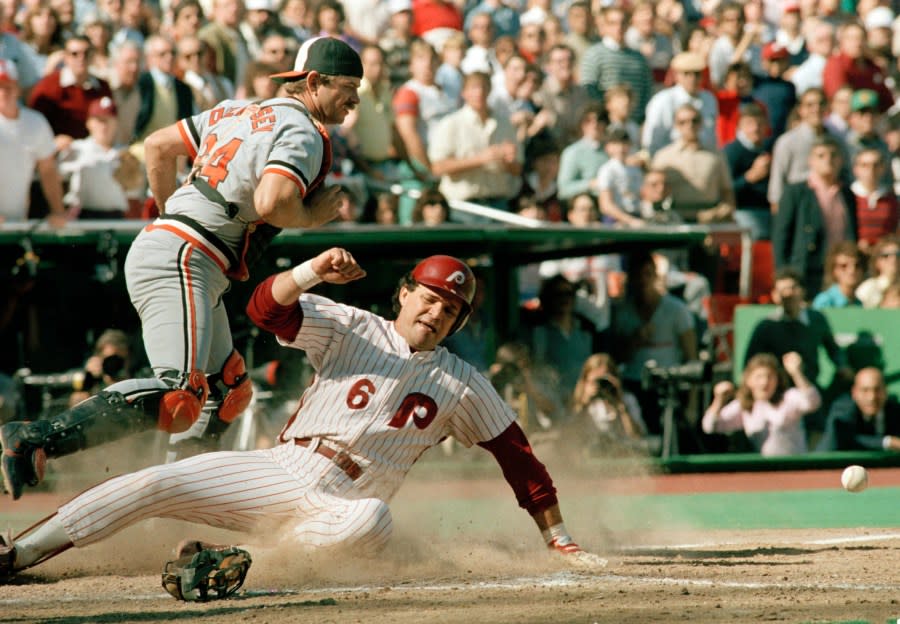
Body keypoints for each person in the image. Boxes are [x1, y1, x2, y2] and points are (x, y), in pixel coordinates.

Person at [0, 249, 608, 577]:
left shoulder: (462, 381)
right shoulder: (353, 326)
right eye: (428, 298)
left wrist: (558, 538)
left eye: (449, 310)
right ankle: (17, 556)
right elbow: (266, 310)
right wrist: (312, 270)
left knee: (373, 520)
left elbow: (516, 455)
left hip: (345, 501)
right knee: (156, 482)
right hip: (283, 467)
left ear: (457, 322)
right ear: (404, 293)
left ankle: (226, 563)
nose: (434, 312)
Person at [0, 36, 363, 501]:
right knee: (180, 394)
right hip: (187, 254)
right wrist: (314, 215)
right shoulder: (303, 131)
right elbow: (274, 202)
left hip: (182, 247)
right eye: (348, 86)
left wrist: (168, 211)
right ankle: (35, 438)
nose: (355, 98)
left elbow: (156, 147)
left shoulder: (234, 108)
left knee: (228, 392)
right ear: (313, 82)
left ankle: (184, 500)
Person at [772, 135, 856, 296]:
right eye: (821, 155)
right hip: (806, 270)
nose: (828, 160)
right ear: (811, 160)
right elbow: (781, 236)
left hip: (840, 273)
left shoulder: (847, 194)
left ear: (841, 160)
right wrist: (783, 276)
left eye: (833, 155)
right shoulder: (796, 192)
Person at [743, 267, 844, 392]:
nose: (788, 294)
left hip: (809, 387)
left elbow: (833, 350)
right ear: (775, 295)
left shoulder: (816, 320)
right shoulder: (766, 326)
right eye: (783, 290)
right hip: (777, 393)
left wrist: (843, 367)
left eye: (793, 288)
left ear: (803, 291)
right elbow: (750, 363)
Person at [702, 352, 820, 456]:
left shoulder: (788, 398)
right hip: (765, 473)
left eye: (770, 377)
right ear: (749, 380)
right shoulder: (744, 406)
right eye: (759, 377)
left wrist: (796, 373)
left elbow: (812, 402)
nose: (765, 382)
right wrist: (719, 399)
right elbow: (710, 426)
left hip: (794, 470)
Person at [0, 58, 67, 226]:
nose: (3, 92)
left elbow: (48, 170)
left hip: (16, 222)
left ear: (18, 89)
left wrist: (58, 211)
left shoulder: (35, 122)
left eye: (8, 86)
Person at [651, 104, 736, 225]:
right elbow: (651, 192)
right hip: (675, 219)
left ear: (701, 123)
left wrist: (721, 212)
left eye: (694, 121)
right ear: (676, 125)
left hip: (709, 218)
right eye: (682, 122)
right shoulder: (663, 157)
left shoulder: (715, 155)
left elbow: (727, 191)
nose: (689, 125)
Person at [569, 353, 647, 456]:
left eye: (603, 380)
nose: (600, 386)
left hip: (623, 455)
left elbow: (636, 436)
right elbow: (570, 436)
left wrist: (620, 405)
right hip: (590, 458)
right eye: (595, 381)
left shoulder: (627, 400)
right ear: (585, 381)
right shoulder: (582, 404)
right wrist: (585, 402)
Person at [817, 367, 900, 452]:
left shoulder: (895, 411)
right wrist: (888, 442)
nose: (872, 397)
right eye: (865, 390)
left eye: (877, 390)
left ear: (886, 391)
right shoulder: (842, 411)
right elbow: (846, 439)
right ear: (854, 392)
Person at [810, 241, 864, 310]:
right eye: (844, 266)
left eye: (857, 265)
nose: (852, 270)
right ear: (833, 270)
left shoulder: (859, 304)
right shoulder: (824, 301)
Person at [856, 235, 900, 308]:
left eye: (898, 255)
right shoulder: (868, 288)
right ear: (877, 261)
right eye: (886, 255)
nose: (893, 259)